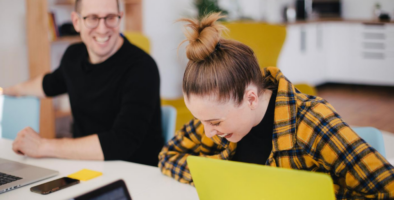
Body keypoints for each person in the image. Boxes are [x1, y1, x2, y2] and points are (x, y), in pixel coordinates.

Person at [158, 13, 394, 199]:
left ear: (250, 99)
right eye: (201, 121)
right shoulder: (218, 116)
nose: (208, 131)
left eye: (214, 122)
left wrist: (306, 193)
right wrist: (223, 176)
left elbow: (386, 190)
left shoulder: (312, 122)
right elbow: (168, 156)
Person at [1, 0, 163, 166]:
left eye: (110, 17)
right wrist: (6, 90)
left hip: (136, 174)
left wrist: (42, 146)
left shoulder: (142, 67)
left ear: (120, 18)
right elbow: (48, 84)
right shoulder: (74, 56)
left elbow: (122, 142)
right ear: (77, 22)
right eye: (92, 18)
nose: (102, 28)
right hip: (84, 166)